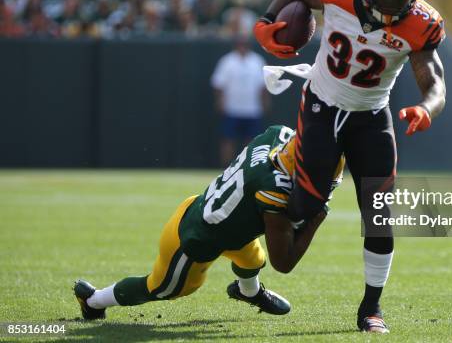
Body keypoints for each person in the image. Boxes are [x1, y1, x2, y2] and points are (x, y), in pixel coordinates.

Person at [253, 0, 447, 334]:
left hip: (371, 118)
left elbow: (436, 82)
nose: (393, 8)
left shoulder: (421, 23)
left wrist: (427, 108)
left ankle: (371, 308)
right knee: (303, 206)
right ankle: (263, 194)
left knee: (379, 218)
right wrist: (267, 18)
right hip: (321, 108)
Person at [74, 125, 344, 320]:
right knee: (161, 288)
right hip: (196, 236)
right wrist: (315, 220)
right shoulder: (272, 189)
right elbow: (284, 263)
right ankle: (94, 300)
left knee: (251, 258)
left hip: (221, 218)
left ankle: (248, 292)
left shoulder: (278, 134)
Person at [211, 36, 268, 166]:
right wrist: (220, 101)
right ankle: (225, 169)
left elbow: (263, 86)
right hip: (232, 108)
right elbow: (218, 84)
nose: (242, 46)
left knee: (252, 142)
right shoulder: (227, 61)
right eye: (240, 44)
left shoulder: (257, 61)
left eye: (245, 44)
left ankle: (249, 168)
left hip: (252, 109)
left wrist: (264, 102)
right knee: (228, 140)